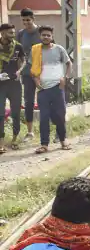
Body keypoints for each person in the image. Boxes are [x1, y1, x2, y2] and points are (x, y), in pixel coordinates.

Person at [30, 26, 71, 154]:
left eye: (48, 35)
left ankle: (63, 140)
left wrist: (66, 78)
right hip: (42, 89)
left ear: (52, 36)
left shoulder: (59, 49)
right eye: (43, 35)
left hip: (57, 88)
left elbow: (69, 63)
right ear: (40, 36)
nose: (46, 37)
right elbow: (33, 69)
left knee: (60, 115)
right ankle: (44, 144)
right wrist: (36, 82)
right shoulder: (36, 50)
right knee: (44, 117)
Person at [16, 8, 41, 142]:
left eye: (28, 20)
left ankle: (54, 129)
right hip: (27, 72)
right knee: (28, 101)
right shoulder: (20, 34)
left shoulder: (41, 32)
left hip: (43, 72)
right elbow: (19, 54)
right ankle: (30, 132)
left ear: (33, 19)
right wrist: (19, 70)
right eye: (24, 20)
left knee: (48, 100)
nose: (26, 23)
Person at [0, 23, 25, 152]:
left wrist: (19, 71)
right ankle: (1, 143)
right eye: (10, 33)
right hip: (1, 85)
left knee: (15, 113)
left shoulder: (17, 46)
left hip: (14, 84)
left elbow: (24, 60)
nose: (13, 35)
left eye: (13, 32)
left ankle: (15, 139)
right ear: (2, 33)